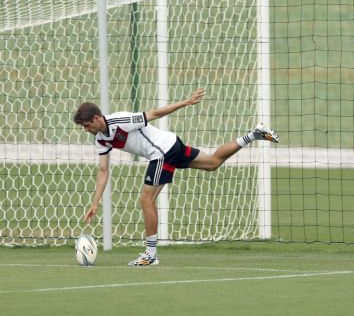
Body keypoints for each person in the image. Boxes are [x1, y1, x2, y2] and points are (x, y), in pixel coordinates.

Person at [73, 88, 278, 266]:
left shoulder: (120, 120)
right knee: (213, 163)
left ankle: (150, 255)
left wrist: (186, 102)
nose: (86, 130)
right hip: (172, 145)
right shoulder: (101, 139)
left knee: (146, 199)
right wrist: (95, 202)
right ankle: (255, 135)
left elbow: (154, 113)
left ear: (97, 118)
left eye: (87, 125)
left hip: (162, 151)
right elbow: (103, 170)